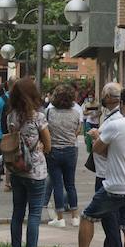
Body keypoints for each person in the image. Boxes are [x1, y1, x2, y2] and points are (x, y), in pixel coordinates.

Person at [57, 86, 125, 247]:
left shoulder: (116, 125)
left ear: (122, 104)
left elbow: (97, 149)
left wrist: (97, 136)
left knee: (87, 216)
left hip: (115, 185)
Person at [4, 78, 57, 247]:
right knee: (34, 214)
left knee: (17, 213)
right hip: (36, 171)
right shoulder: (38, 117)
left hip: (17, 170)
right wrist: (41, 146)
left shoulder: (12, 117)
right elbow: (49, 146)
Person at [86, 83, 125, 247]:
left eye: (103, 94)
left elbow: (108, 146)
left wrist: (96, 137)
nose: (101, 97)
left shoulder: (116, 119)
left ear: (110, 97)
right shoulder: (110, 116)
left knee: (108, 214)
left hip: (106, 172)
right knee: (109, 215)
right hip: (103, 170)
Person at [45, 85, 83, 227]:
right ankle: (75, 217)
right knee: (70, 184)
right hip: (70, 151)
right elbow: (77, 130)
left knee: (57, 184)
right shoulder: (75, 113)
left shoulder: (49, 112)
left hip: (53, 151)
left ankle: (59, 218)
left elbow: (45, 130)